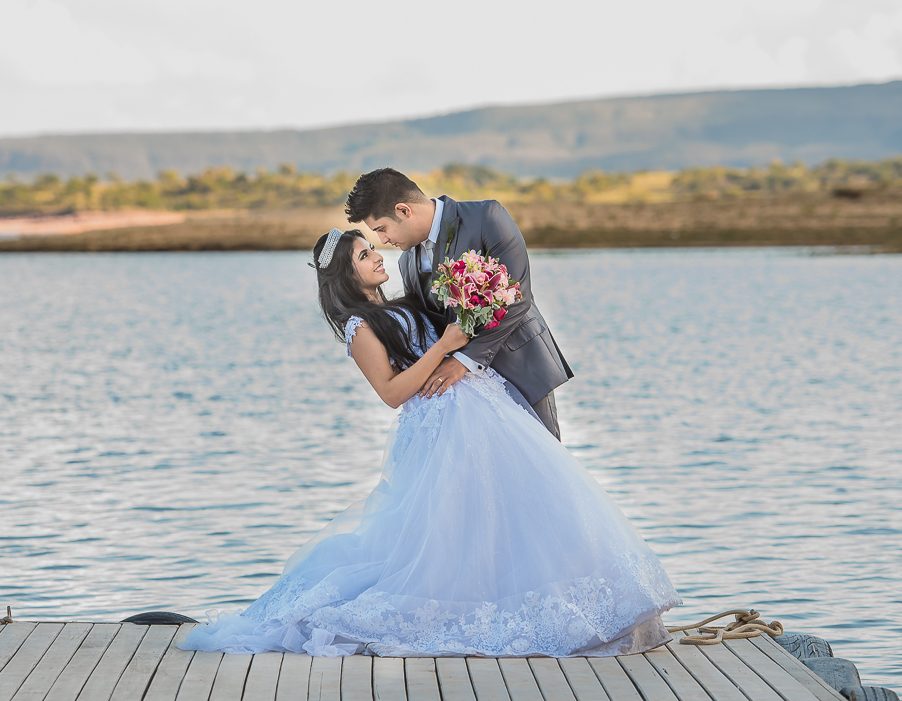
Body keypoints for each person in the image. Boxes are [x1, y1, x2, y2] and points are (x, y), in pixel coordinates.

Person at [181, 228, 680, 658]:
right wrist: (444, 346)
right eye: (363, 255)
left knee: (517, 511)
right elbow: (393, 393)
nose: (377, 256)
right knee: (453, 528)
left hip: (485, 412)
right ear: (345, 277)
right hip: (441, 428)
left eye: (372, 249)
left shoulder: (401, 305)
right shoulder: (360, 327)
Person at [345, 167, 573, 439]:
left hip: (522, 367)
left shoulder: (485, 217)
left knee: (545, 466)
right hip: (467, 397)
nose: (382, 240)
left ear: (404, 210)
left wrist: (464, 361)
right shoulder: (408, 262)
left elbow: (516, 296)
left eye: (382, 228)